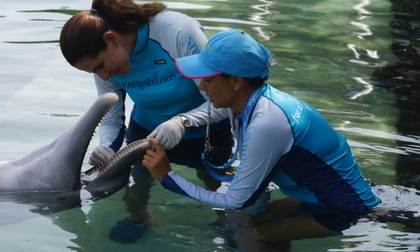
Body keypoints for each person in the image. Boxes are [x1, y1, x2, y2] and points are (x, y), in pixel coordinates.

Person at [142, 29, 382, 251]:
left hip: (345, 208)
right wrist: (181, 122)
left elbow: (236, 200)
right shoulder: (253, 100)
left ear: (236, 81)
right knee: (236, 226)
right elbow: (214, 109)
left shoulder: (267, 123)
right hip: (318, 196)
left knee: (244, 236)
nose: (202, 86)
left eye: (208, 79)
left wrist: (167, 177)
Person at [59, 0, 235, 243]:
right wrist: (108, 148)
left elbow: (227, 102)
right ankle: (137, 216)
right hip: (146, 132)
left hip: (206, 131)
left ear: (111, 39)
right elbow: (112, 114)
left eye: (100, 66)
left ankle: (225, 220)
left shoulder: (178, 31)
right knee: (138, 181)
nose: (103, 76)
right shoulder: (107, 67)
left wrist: (182, 122)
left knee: (218, 183)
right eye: (95, 72)